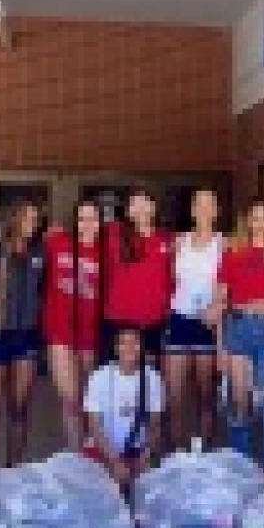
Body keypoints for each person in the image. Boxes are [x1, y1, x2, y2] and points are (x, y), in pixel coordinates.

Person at [210, 201, 264, 470]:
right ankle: (242, 467)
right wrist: (220, 346)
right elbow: (220, 300)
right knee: (240, 402)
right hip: (239, 326)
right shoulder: (232, 252)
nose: (259, 223)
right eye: (254, 218)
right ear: (246, 221)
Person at [0, 200, 44, 467]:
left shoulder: (41, 251)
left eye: (36, 218)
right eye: (26, 217)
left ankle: (14, 470)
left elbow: (44, 291)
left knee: (19, 408)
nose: (32, 223)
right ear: (13, 219)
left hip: (26, 337)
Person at [163, 188, 223, 450]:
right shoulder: (179, 242)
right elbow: (165, 279)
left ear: (217, 210)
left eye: (210, 204)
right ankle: (179, 455)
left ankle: (202, 455)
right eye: (199, 204)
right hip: (179, 319)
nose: (204, 209)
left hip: (208, 323)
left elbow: (233, 283)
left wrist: (219, 306)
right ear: (192, 210)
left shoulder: (226, 243)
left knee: (205, 395)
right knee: (175, 396)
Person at [43, 199, 104, 450]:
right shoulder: (57, 243)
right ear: (74, 222)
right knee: (69, 400)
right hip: (59, 332)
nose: (87, 224)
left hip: (90, 335)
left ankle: (91, 452)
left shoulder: (107, 252)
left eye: (92, 218)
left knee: (89, 402)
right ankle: (75, 455)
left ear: (100, 222)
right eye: (82, 218)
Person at [83, 326, 164, 489]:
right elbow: (94, 426)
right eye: (124, 343)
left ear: (142, 347)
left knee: (148, 491)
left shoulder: (152, 378)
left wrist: (145, 456)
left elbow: (156, 425)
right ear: (116, 348)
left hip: (137, 451)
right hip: (105, 450)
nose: (129, 347)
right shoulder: (99, 377)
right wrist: (114, 460)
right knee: (105, 494)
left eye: (135, 342)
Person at [102, 187, 172, 364]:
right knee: (117, 377)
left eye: (144, 202)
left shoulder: (166, 238)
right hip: (118, 320)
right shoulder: (113, 232)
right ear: (127, 210)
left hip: (153, 321)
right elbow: (83, 234)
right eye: (134, 203)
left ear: (153, 207)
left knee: (148, 379)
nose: (140, 207)